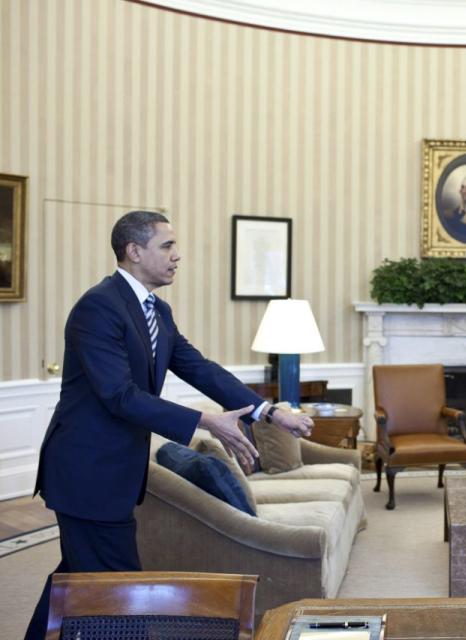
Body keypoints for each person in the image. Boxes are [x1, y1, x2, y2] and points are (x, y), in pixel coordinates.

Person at [25, 211, 315, 639]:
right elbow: (118, 395)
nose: (178, 256)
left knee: (77, 579)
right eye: (167, 246)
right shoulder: (98, 307)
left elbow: (199, 368)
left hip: (113, 473)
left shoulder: (155, 309)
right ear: (134, 251)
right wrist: (205, 421)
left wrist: (268, 412)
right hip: (87, 474)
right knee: (118, 593)